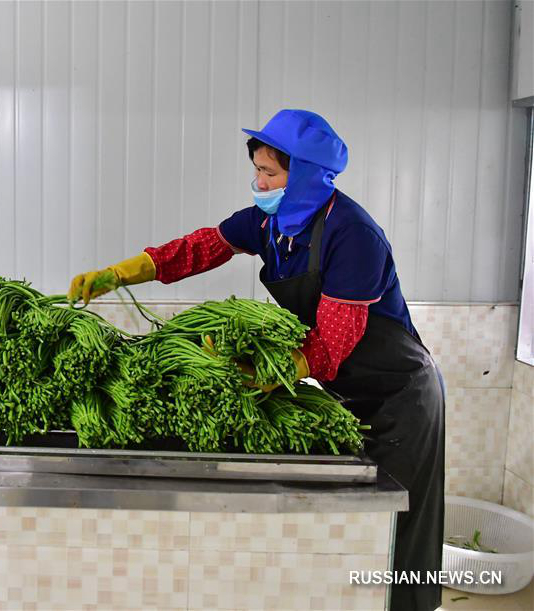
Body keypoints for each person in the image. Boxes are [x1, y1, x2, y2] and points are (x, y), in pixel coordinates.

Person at [68, 109, 445, 611]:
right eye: (258, 171)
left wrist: (262, 372)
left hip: (401, 395)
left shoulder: (354, 235)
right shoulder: (272, 222)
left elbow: (333, 343)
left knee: (401, 522)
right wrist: (120, 273)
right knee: (358, 526)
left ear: (306, 175)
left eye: (270, 173)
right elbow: (203, 248)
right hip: (347, 390)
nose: (258, 182)